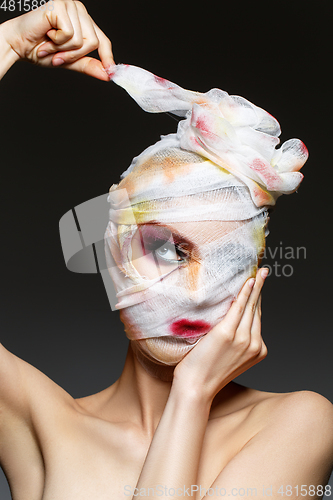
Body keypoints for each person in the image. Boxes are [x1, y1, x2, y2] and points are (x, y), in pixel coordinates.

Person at [0, 2, 332, 499]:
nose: (198, 296)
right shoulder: (36, 419)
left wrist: (192, 395)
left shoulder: (302, 423)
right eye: (171, 251)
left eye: (228, 263)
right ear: (113, 252)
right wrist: (6, 42)